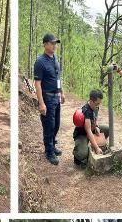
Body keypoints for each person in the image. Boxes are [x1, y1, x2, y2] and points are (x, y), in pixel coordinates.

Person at [34, 33, 65, 165]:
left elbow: (57, 78)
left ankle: (52, 145)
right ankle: (49, 152)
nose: (54, 46)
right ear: (45, 44)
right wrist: (41, 103)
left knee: (56, 124)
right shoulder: (40, 62)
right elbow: (37, 83)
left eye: (55, 43)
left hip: (56, 97)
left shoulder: (55, 59)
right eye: (52, 43)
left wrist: (62, 93)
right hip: (47, 98)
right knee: (49, 126)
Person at [72, 89, 110, 167]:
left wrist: (96, 127)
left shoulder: (95, 107)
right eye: (97, 104)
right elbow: (88, 131)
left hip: (91, 129)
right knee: (82, 154)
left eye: (99, 103)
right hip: (82, 134)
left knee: (107, 129)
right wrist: (96, 148)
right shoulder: (86, 111)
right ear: (91, 101)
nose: (98, 106)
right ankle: (77, 155)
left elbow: (95, 119)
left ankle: (95, 143)